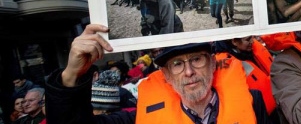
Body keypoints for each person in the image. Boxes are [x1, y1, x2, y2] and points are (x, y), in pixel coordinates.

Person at [45, 24, 272, 124]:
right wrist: (72, 74)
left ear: (213, 63)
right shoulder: (139, 118)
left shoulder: (253, 103)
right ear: (166, 75)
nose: (189, 72)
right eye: (177, 64)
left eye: (196, 59)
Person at [215, 36, 277, 120]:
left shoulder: (251, 49)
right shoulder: (225, 65)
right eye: (248, 39)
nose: (252, 41)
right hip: (259, 114)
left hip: (277, 104)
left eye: (252, 37)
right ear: (234, 42)